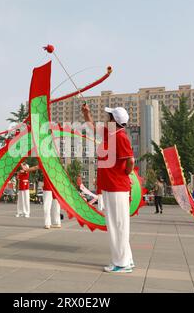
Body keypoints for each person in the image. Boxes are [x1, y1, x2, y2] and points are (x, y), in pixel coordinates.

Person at [83, 104, 135, 273]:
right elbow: (91, 127)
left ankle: (121, 263)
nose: (107, 119)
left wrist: (125, 174)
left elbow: (131, 161)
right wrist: (87, 113)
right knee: (119, 224)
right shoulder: (110, 133)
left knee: (117, 225)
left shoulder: (121, 137)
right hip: (111, 186)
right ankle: (127, 259)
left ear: (114, 120)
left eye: (109, 116)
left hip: (117, 187)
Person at [22, 164, 61, 229]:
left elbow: (35, 167)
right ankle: (57, 223)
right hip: (56, 188)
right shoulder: (56, 163)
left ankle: (47, 224)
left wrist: (26, 169)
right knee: (56, 206)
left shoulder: (45, 162)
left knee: (47, 206)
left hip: (48, 187)